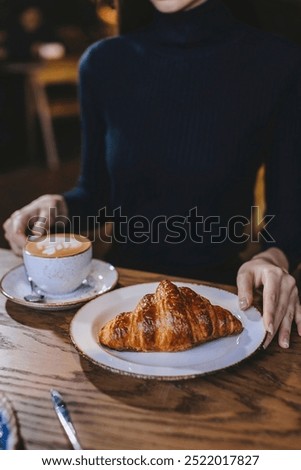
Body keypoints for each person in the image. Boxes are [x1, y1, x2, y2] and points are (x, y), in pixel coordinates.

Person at [3, 0, 301, 350]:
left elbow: (286, 215)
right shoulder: (103, 63)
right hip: (114, 297)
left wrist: (272, 257)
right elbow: (97, 195)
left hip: (224, 300)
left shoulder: (279, 63)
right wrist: (59, 207)